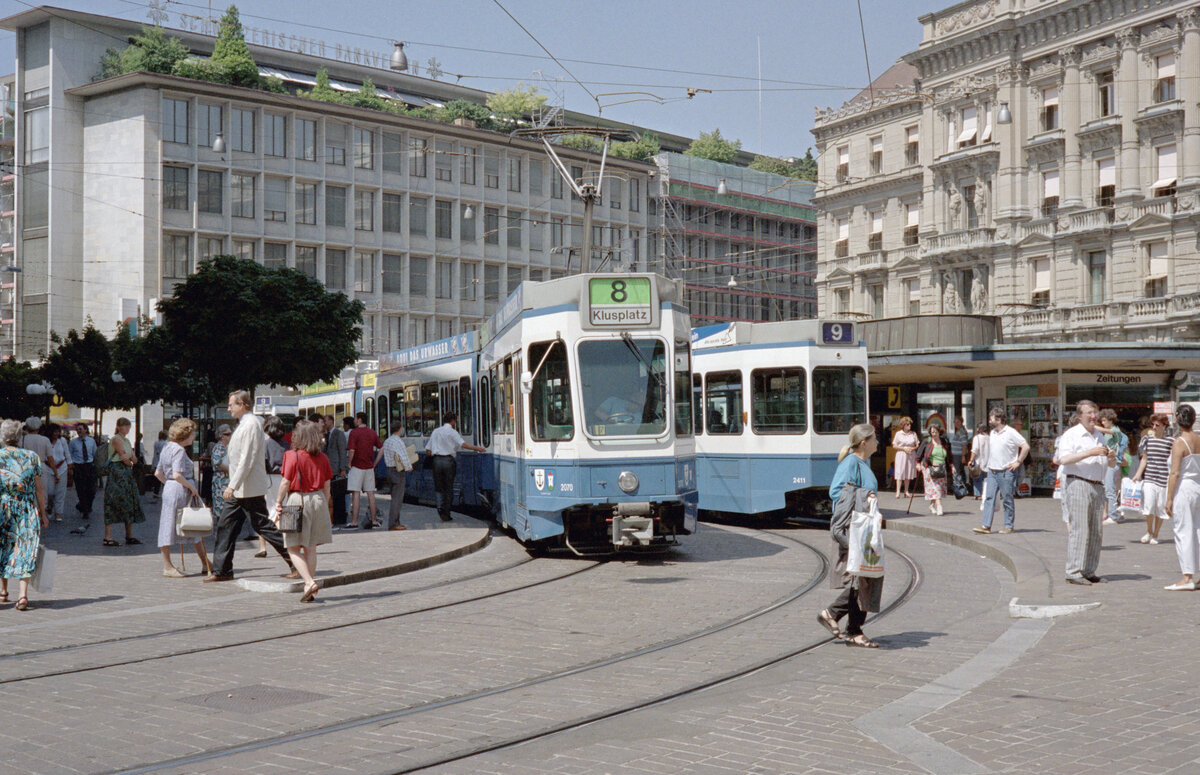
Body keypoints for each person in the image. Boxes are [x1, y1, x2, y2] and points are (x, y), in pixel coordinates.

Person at [205, 391, 295, 583]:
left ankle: (295, 560)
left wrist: (232, 485)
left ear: (242, 404)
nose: (228, 408)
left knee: (262, 525)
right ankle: (222, 570)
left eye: (231, 405)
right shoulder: (246, 424)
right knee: (226, 526)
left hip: (247, 487)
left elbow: (247, 458)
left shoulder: (251, 424)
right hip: (242, 488)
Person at [818, 423, 882, 649]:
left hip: (864, 528)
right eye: (874, 438)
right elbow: (836, 492)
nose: (878, 441)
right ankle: (837, 617)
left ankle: (851, 627)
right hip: (854, 529)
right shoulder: (851, 463)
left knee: (865, 575)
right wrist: (866, 495)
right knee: (863, 576)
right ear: (864, 442)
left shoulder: (862, 463)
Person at [1058, 400, 1117, 585]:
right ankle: (1073, 571)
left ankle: (1089, 570)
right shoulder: (1072, 435)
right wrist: (1089, 453)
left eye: (1095, 412)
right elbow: (1063, 459)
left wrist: (1112, 458)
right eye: (1089, 413)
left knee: (1095, 531)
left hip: (1097, 485)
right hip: (1078, 483)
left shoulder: (1098, 434)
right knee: (1080, 529)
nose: (1093, 416)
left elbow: (1111, 464)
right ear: (1079, 416)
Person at [273, 420, 333, 602]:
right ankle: (308, 588)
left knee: (291, 546)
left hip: (297, 499)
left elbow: (285, 482)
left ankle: (308, 581)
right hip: (319, 500)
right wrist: (323, 502)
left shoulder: (292, 455)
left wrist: (278, 502)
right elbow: (327, 486)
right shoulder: (323, 457)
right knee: (311, 547)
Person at [0, 419, 48, 611]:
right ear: (20, 436)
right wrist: (43, 514)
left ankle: (3, 592)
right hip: (27, 509)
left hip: (3, 508)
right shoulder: (31, 457)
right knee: (26, 548)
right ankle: (22, 596)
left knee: (3, 545)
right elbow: (39, 490)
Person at [154, 418, 209, 578]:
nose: (194, 437)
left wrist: (169, 484)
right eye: (192, 434)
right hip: (180, 489)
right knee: (192, 523)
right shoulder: (178, 450)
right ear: (185, 434)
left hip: (171, 488)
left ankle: (202, 562)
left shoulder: (166, 447)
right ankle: (172, 567)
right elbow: (178, 474)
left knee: (169, 523)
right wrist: (191, 487)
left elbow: (158, 473)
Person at [973, 408, 1030, 535]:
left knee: (1007, 498)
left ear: (998, 419)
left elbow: (1025, 446)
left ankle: (1008, 525)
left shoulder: (1011, 432)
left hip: (1006, 471)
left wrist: (1018, 462)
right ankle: (986, 525)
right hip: (992, 470)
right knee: (989, 498)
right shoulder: (992, 432)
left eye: (991, 418)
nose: (989, 420)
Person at [1164, 405, 1200, 591]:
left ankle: (1187, 576)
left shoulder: (1179, 442)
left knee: (1183, 531)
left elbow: (1174, 473)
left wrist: (1169, 498)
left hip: (1184, 488)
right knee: (1197, 530)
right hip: (1197, 486)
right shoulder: (1198, 440)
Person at [428, 412, 485, 522]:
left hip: (436, 461)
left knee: (439, 487)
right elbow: (463, 444)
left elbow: (428, 450)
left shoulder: (435, 431)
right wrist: (478, 448)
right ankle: (447, 512)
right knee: (449, 487)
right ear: (453, 421)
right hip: (448, 461)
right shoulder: (452, 432)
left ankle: (440, 507)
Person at [102, 417, 145, 547]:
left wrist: (130, 458)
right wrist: (129, 459)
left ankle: (129, 535)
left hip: (126, 473)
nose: (127, 428)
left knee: (129, 501)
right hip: (117, 473)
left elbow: (134, 459)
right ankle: (108, 536)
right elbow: (124, 457)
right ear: (119, 427)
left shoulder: (126, 440)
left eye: (128, 426)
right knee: (113, 501)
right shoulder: (116, 439)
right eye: (124, 426)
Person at [1133, 413, 1172, 545]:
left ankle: (1156, 534)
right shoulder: (1147, 439)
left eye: (1158, 425)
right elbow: (1144, 458)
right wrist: (1138, 474)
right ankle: (1149, 531)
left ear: (1164, 426)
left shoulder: (1170, 441)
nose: (1154, 427)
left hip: (1164, 478)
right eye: (1153, 424)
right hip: (1150, 476)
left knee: (1160, 507)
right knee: (1148, 506)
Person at [346, 412, 383, 529]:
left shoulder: (354, 432)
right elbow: (381, 448)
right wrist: (375, 463)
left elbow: (352, 450)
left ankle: (354, 522)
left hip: (357, 466)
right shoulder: (372, 432)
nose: (354, 421)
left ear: (360, 420)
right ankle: (374, 521)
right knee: (371, 494)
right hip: (369, 467)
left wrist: (349, 463)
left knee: (355, 493)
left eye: (356, 419)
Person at [260, 416, 289, 558]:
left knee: (267, 510)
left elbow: (263, 462)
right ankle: (284, 540)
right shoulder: (286, 445)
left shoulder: (264, 444)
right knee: (281, 509)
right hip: (284, 478)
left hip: (269, 478)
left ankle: (263, 547)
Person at [1097, 409, 1129, 525]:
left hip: (1113, 462)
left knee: (1110, 489)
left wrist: (1092, 426)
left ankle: (1113, 515)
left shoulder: (1115, 430)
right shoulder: (1109, 432)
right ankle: (1108, 513)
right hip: (1108, 462)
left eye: (1104, 420)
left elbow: (1105, 430)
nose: (1103, 423)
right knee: (1107, 488)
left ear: (1111, 420)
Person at [382, 420, 413, 530]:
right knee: (397, 499)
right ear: (400, 429)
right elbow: (402, 455)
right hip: (397, 472)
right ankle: (394, 523)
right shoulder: (398, 442)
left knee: (394, 497)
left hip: (389, 470)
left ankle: (396, 521)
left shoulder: (387, 441)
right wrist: (408, 466)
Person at [916, 424, 953, 516]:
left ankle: (932, 505)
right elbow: (919, 453)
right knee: (936, 488)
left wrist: (952, 465)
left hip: (941, 468)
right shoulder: (927, 441)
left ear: (939, 432)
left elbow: (949, 454)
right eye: (932, 432)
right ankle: (939, 506)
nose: (934, 434)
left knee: (937, 489)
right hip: (929, 468)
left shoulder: (944, 441)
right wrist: (918, 464)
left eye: (936, 432)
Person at [68, 423, 98, 524]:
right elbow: (70, 454)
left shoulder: (91, 441)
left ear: (86, 430)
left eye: (80, 429)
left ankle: (84, 505)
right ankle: (85, 510)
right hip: (78, 466)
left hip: (89, 466)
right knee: (81, 489)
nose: (79, 431)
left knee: (92, 490)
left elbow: (95, 454)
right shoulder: (73, 443)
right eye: (77, 430)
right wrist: (71, 467)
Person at [324, 414, 349, 526]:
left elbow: (342, 452)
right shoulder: (325, 435)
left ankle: (340, 518)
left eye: (326, 421)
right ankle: (333, 517)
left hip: (336, 468)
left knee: (339, 494)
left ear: (331, 421)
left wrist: (342, 468)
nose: (324, 423)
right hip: (328, 468)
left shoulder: (339, 434)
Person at [45, 423, 70, 524]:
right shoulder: (46, 441)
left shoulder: (62, 441)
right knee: (50, 491)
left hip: (62, 467)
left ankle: (58, 513)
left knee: (60, 491)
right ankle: (49, 506)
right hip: (48, 468)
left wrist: (70, 464)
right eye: (54, 431)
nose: (56, 433)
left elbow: (67, 453)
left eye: (58, 431)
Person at [209, 424, 232, 526]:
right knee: (221, 506)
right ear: (222, 436)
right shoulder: (219, 447)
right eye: (228, 434)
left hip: (225, 481)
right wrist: (233, 471)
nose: (230, 436)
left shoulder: (225, 447)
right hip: (220, 481)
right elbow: (218, 463)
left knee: (224, 506)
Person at [890, 417, 918, 498]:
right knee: (900, 472)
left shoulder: (913, 434)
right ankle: (898, 491)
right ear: (903, 425)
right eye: (907, 425)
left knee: (908, 472)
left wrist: (911, 449)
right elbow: (894, 445)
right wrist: (903, 449)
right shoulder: (898, 434)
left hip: (910, 454)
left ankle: (906, 491)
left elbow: (917, 445)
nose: (909, 426)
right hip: (901, 454)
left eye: (910, 424)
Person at [966, 422, 989, 499]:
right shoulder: (989, 437)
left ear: (978, 429)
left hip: (979, 461)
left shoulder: (977, 438)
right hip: (988, 462)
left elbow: (974, 450)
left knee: (977, 478)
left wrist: (971, 460)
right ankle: (986, 493)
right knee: (986, 479)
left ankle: (978, 494)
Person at [949, 417, 970, 496]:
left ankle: (959, 489)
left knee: (956, 471)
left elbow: (964, 445)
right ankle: (959, 488)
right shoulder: (959, 431)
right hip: (957, 454)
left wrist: (963, 456)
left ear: (959, 422)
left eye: (955, 422)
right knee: (958, 471)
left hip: (958, 455)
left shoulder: (961, 432)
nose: (954, 424)